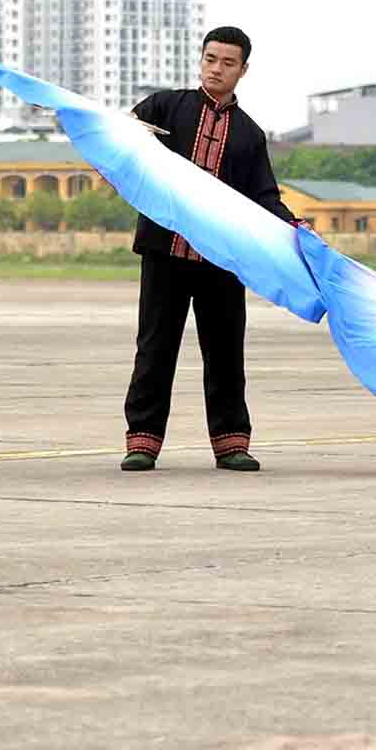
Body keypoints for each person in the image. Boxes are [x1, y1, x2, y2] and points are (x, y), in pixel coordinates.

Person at [120, 26, 298, 474]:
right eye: (210, 59)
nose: (217, 69)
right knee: (155, 349)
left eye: (228, 63)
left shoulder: (249, 135)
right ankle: (142, 443)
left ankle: (231, 444)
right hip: (164, 252)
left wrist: (294, 228)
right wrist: (125, 132)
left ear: (243, 70)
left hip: (222, 258)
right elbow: (121, 144)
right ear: (201, 60)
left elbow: (264, 197)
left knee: (225, 351)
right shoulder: (165, 106)